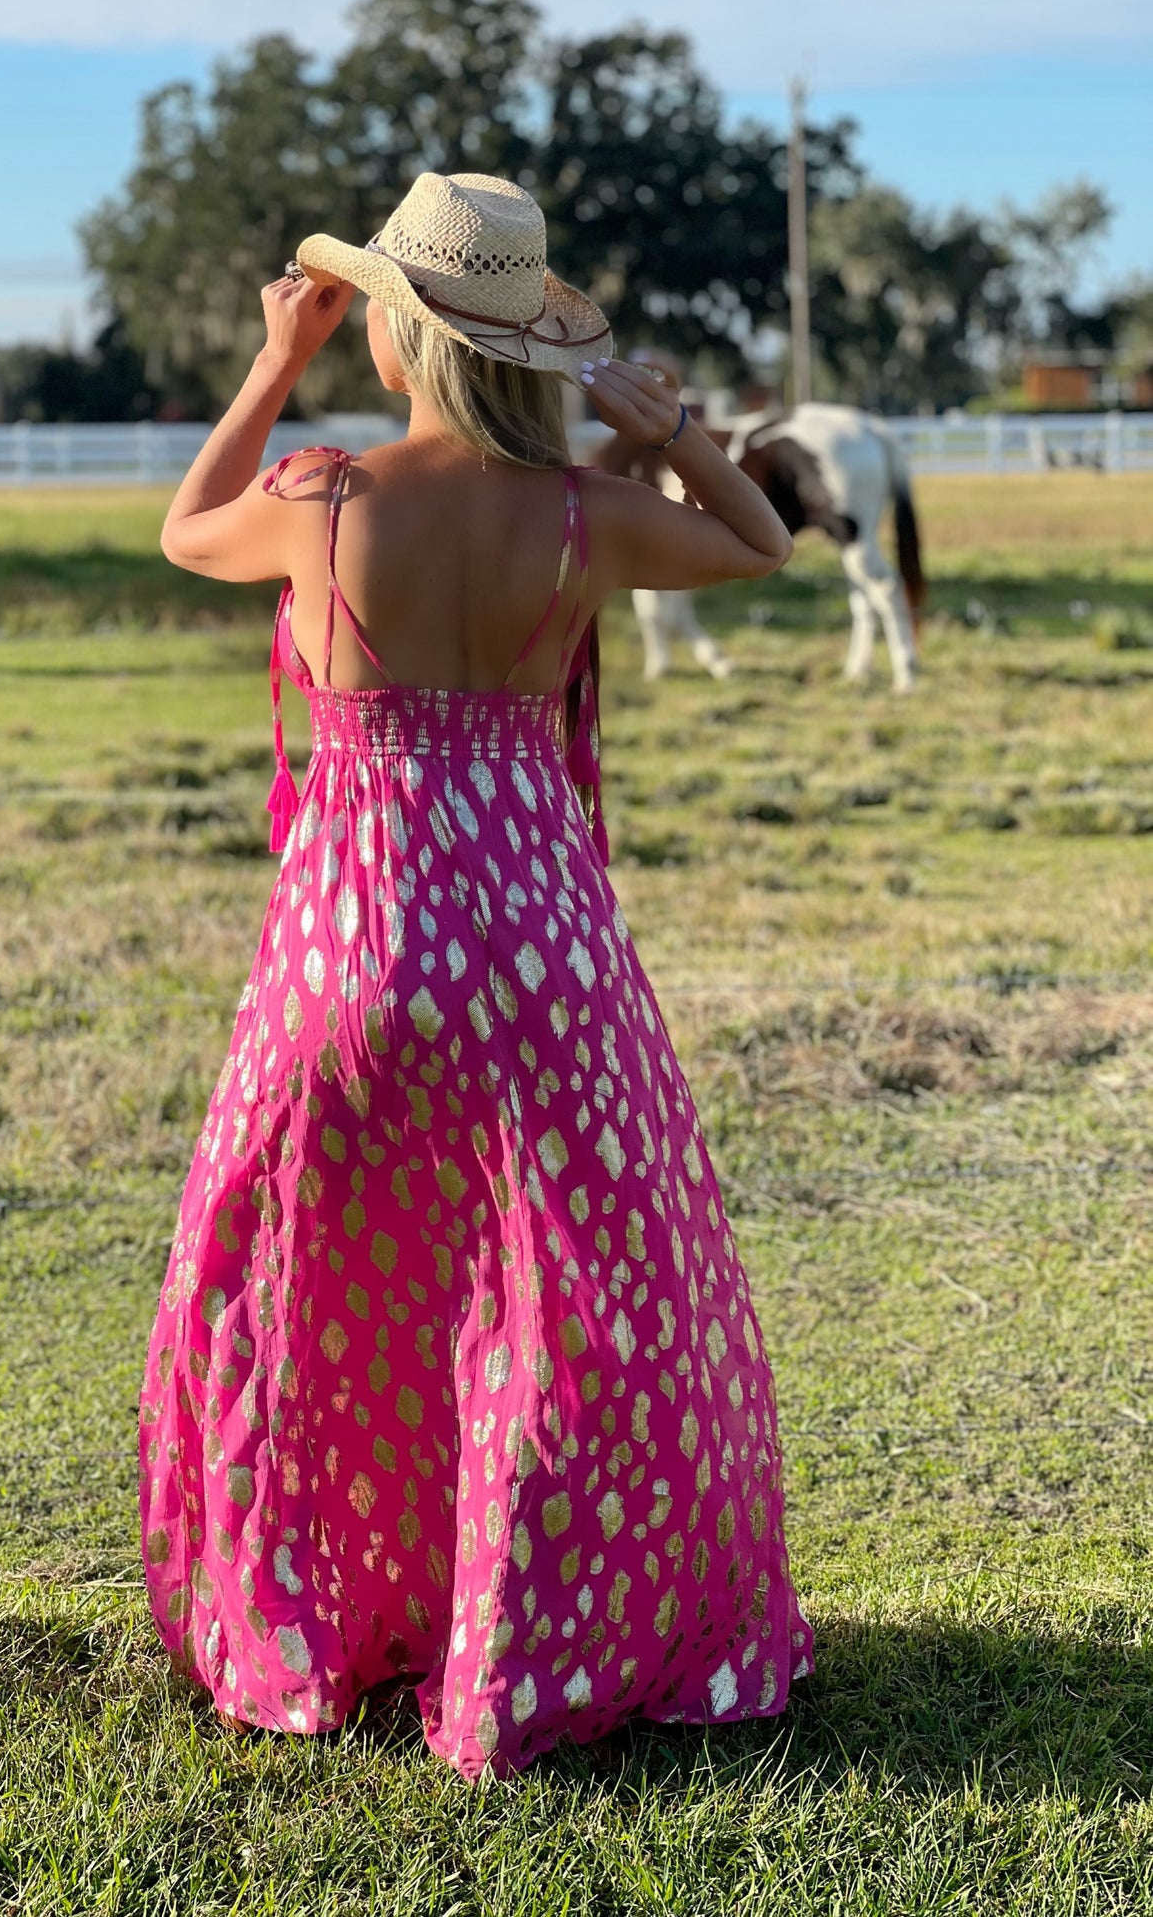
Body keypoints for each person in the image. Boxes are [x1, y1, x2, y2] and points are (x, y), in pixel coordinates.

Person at [140, 172, 813, 1779]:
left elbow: (180, 532)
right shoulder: (580, 516)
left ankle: (330, 1613)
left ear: (395, 332)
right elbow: (764, 543)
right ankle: (526, 1625)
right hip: (541, 962)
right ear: (522, 347)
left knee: (315, 1283)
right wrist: (661, 430)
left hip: (346, 948)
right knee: (565, 1296)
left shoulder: (320, 496)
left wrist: (267, 363)